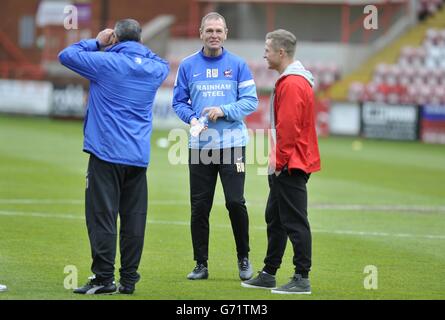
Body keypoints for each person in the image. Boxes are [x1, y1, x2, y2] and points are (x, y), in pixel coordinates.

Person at [59, 19, 169, 294]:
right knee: (134, 219)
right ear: (141, 41)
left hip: (106, 153)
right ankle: (129, 280)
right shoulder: (156, 69)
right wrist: (133, 46)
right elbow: (159, 60)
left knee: (102, 218)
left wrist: (97, 42)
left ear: (116, 40)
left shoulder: (105, 62)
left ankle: (104, 278)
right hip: (138, 156)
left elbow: (67, 55)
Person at [172, 12, 258, 281]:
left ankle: (243, 257)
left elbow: (250, 102)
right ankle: (201, 264)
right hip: (201, 146)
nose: (214, 35)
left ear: (226, 34)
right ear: (200, 33)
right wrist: (193, 118)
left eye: (218, 31)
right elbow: (178, 102)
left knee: (235, 202)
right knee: (199, 207)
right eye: (209, 30)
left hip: (233, 145)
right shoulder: (187, 66)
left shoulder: (239, 64)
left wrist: (223, 110)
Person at [241, 29, 320, 294]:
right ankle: (269, 272)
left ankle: (302, 277)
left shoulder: (293, 83)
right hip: (287, 160)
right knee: (274, 218)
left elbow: (288, 128)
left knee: (295, 221)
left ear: (281, 53)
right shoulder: (292, 81)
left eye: (268, 48)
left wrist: (279, 162)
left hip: (290, 163)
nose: (264, 53)